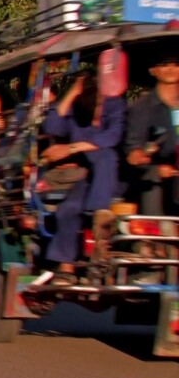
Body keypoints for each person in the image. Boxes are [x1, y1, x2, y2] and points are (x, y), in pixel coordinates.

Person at [40, 71, 126, 284]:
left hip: (114, 180)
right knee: (69, 209)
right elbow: (52, 126)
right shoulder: (77, 109)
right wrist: (72, 93)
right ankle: (66, 268)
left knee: (106, 155)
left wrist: (72, 148)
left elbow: (113, 137)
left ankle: (100, 224)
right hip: (86, 179)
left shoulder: (116, 106)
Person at [125, 52, 179, 216]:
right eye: (165, 65)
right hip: (156, 178)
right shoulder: (142, 108)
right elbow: (134, 150)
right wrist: (147, 162)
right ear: (153, 70)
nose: (171, 69)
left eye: (176, 65)